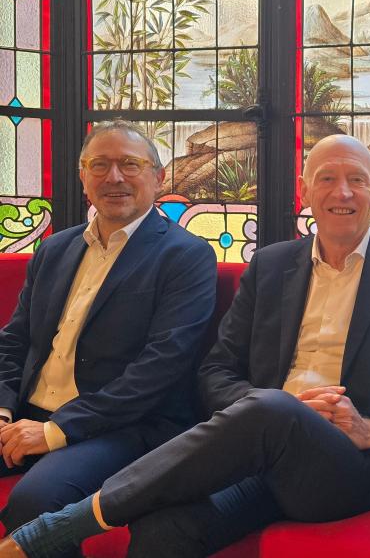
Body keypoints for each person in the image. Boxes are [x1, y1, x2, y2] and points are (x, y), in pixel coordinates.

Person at [0, 134, 370, 558]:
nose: (341, 191)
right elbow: (215, 370)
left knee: (272, 408)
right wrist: (259, 411)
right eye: (326, 178)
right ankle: (266, 414)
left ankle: (60, 528)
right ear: (304, 191)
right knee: (163, 530)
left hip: (346, 466)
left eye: (357, 179)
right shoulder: (270, 266)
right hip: (252, 456)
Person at [0, 120, 216, 539]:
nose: (113, 177)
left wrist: (55, 431)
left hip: (123, 427)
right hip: (26, 413)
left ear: (159, 178)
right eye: (99, 165)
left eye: (130, 164)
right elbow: (15, 341)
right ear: (83, 177)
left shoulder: (186, 256)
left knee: (35, 501)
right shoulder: (56, 249)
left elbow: (161, 367)